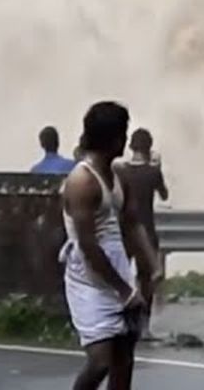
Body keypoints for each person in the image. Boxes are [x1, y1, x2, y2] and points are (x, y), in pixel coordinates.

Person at [60, 101, 162, 390]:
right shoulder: (82, 182)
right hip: (90, 276)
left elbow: (132, 223)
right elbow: (88, 247)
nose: (127, 141)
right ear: (112, 138)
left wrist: (152, 265)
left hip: (117, 266)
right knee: (101, 360)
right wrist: (125, 291)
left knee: (124, 357)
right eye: (123, 133)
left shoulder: (119, 176)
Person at [114, 129, 169, 272]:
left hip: (124, 232)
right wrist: (158, 167)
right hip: (147, 230)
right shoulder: (153, 172)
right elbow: (164, 195)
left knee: (121, 281)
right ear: (149, 148)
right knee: (146, 281)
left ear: (131, 147)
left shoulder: (121, 172)